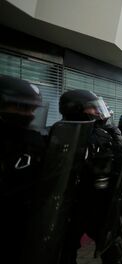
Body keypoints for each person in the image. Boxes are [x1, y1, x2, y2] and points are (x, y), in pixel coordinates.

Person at [58, 90, 122, 264]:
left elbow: (117, 162)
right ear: (76, 109)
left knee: (112, 246)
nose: (97, 112)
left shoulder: (102, 134)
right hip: (71, 203)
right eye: (92, 108)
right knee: (64, 249)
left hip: (99, 201)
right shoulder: (59, 135)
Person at [0, 76, 47, 264]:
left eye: (33, 109)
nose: (30, 114)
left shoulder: (35, 141)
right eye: (21, 107)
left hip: (27, 226)